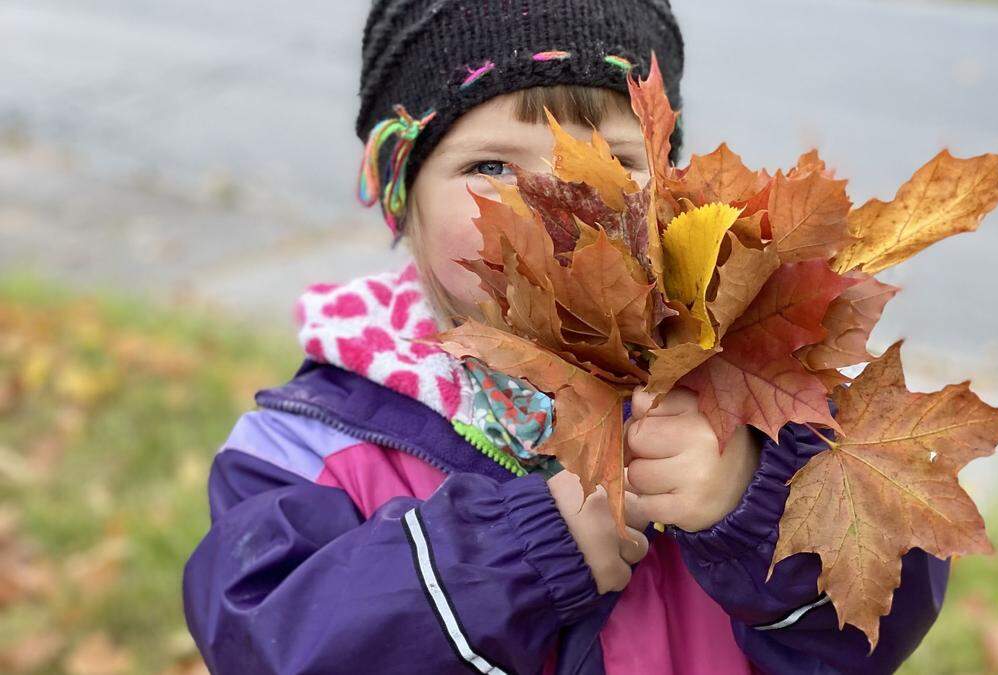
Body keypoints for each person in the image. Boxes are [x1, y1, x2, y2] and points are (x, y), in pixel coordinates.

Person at [182, 1, 949, 673]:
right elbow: (268, 642)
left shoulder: (749, 386)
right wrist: (517, 558)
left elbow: (874, 625)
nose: (556, 204)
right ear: (402, 196)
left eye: (614, 162)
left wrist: (753, 499)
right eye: (491, 165)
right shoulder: (313, 446)